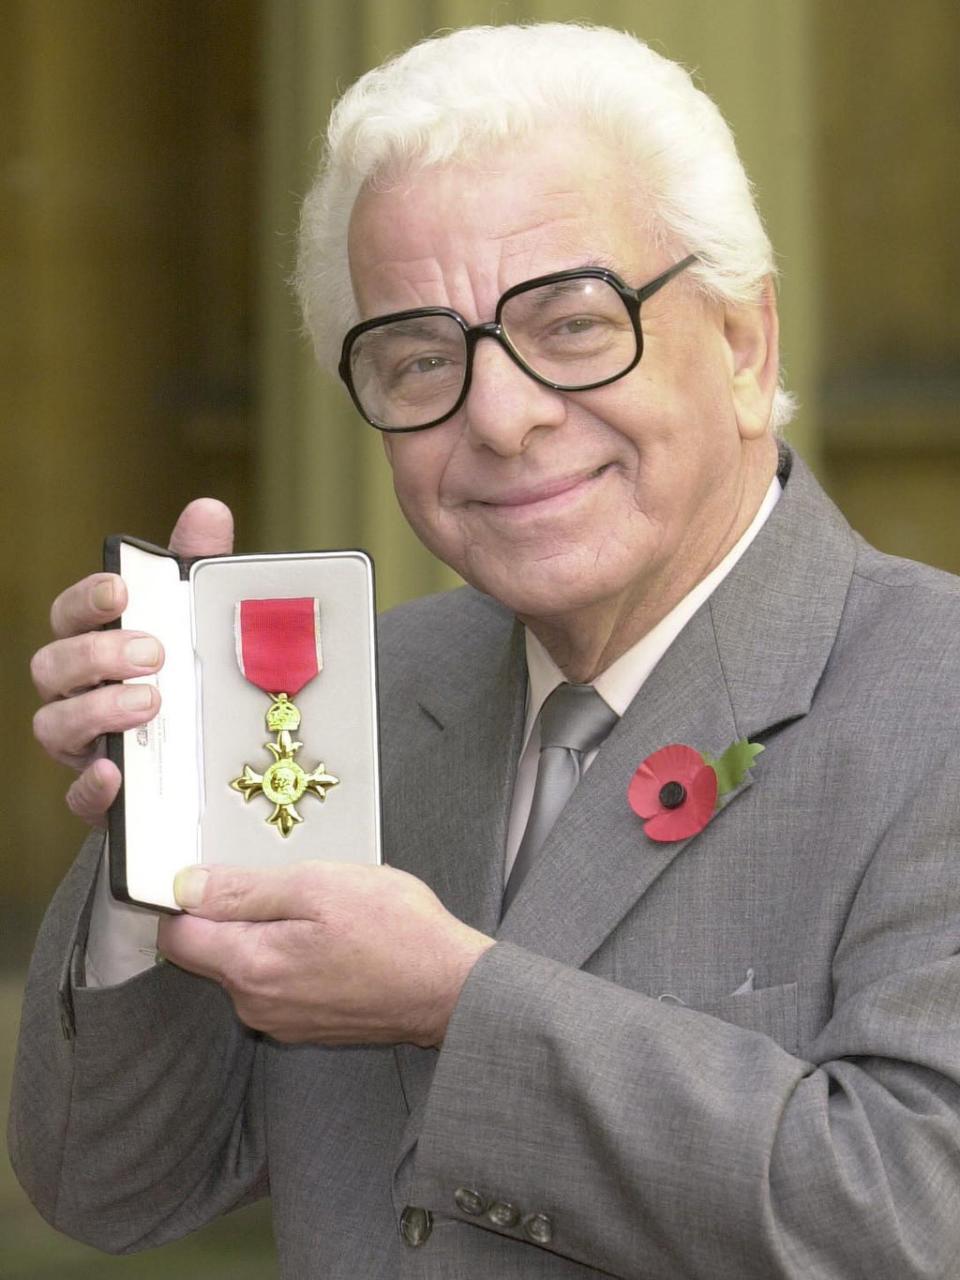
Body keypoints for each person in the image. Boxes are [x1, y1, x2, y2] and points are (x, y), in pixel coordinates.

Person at [11, 22, 960, 1280]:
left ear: (742, 343)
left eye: (573, 325)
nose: (501, 417)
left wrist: (461, 1005)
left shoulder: (933, 698)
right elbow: (110, 1185)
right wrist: (158, 836)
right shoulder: (354, 703)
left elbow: (918, 1213)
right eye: (420, 357)